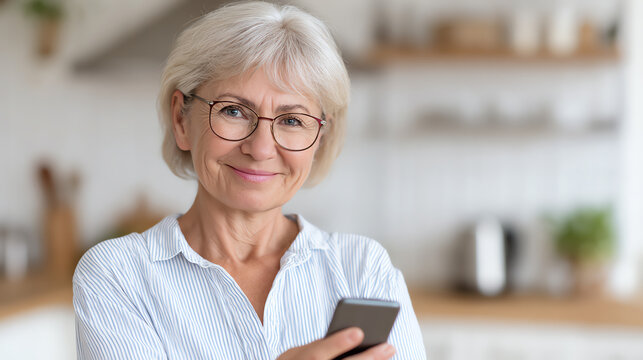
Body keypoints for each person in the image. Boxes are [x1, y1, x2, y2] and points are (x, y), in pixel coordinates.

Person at [72, 2, 426, 359]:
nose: (260, 148)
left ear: (318, 139)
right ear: (181, 119)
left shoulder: (362, 269)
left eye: (292, 120)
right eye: (234, 111)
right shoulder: (117, 274)